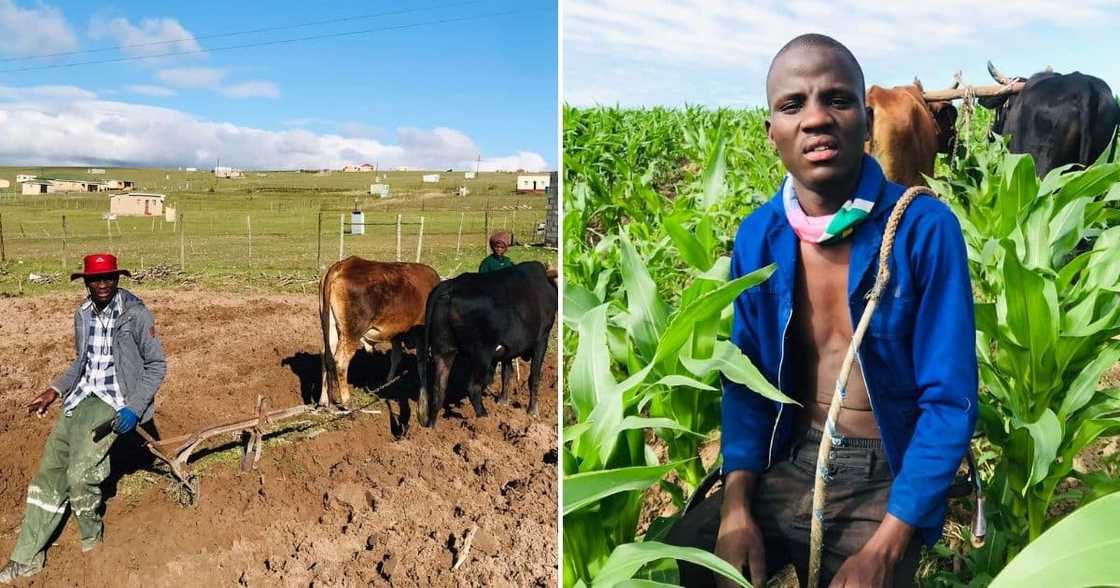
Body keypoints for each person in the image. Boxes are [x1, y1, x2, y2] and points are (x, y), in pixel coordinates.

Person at [665, 34, 977, 588]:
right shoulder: (759, 236)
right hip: (789, 452)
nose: (815, 119)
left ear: (865, 116)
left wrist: (886, 546)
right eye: (793, 105)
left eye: (836, 99)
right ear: (772, 134)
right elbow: (747, 381)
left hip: (884, 467)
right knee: (687, 558)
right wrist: (736, 506)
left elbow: (949, 401)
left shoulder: (924, 230)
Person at [0, 253, 166, 583]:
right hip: (80, 397)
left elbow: (156, 365)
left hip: (114, 400)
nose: (102, 285)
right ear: (86, 282)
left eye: (108, 278)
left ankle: (92, 540)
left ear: (117, 279)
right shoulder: (83, 313)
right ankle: (27, 558)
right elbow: (81, 363)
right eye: (95, 279)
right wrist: (54, 390)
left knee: (80, 474)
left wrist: (133, 407)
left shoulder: (136, 315)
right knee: (48, 475)